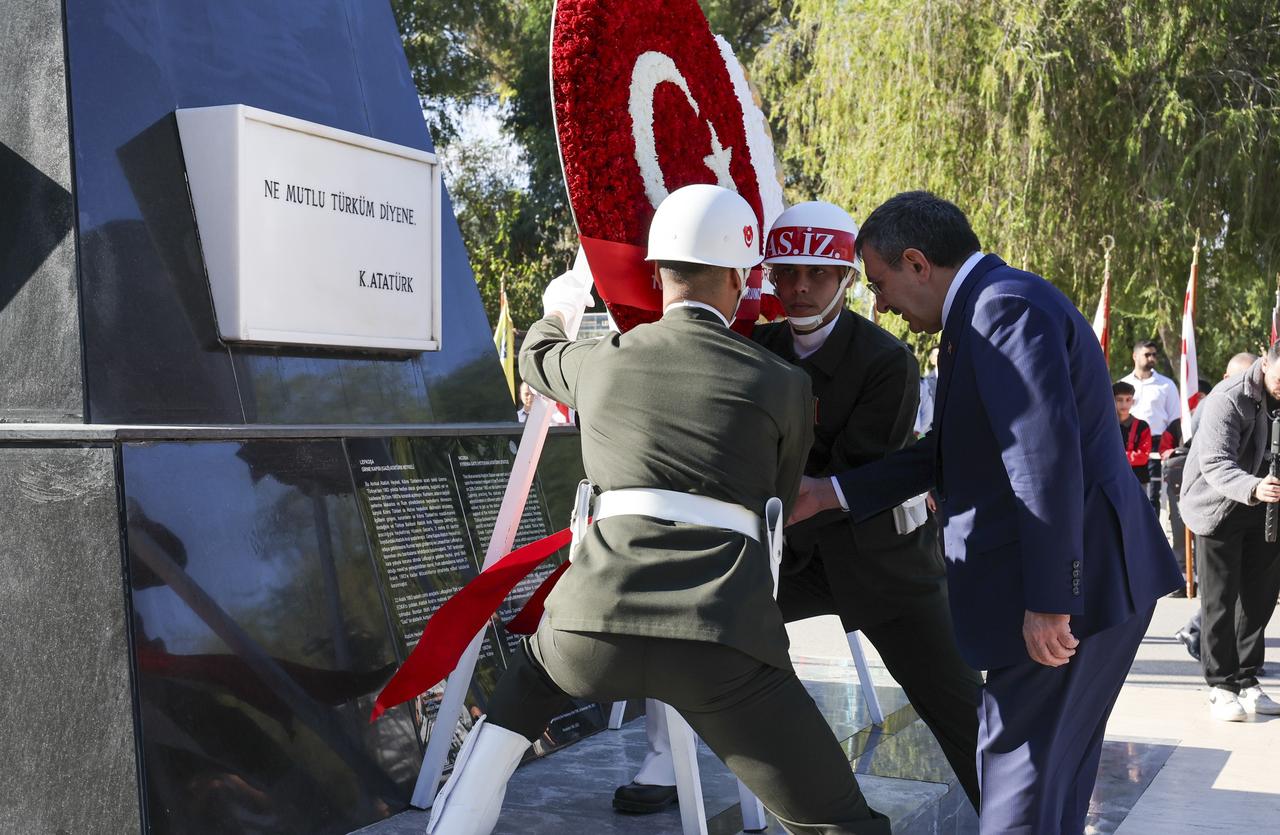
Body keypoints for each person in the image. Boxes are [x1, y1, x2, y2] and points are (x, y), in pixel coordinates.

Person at [427, 184, 890, 835]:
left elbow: (534, 358)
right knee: (842, 820)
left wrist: (561, 307)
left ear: (656, 271)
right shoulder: (785, 384)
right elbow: (775, 502)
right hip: (722, 640)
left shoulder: (603, 364)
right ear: (739, 276)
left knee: (500, 732)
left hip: (588, 629)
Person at [789, 191, 1182, 834]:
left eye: (881, 284)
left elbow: (1043, 461)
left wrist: (1052, 598)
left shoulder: (1002, 309)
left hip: (1070, 591)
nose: (881, 305)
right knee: (1047, 780)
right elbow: (948, 451)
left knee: (1017, 784)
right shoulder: (988, 306)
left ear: (918, 263)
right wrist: (829, 492)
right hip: (1087, 580)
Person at [612, 201, 982, 814]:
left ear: (847, 279)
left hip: (878, 558)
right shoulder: (751, 344)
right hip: (785, 555)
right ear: (765, 276)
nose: (801, 287)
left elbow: (854, 475)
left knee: (958, 708)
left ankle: (1020, 817)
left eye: (818, 273)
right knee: (682, 619)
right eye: (786, 273)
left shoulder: (889, 361)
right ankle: (666, 762)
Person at [1178, 347, 1280, 721]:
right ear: (1265, 365)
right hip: (1219, 506)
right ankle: (1221, 686)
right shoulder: (1228, 397)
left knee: (1259, 599)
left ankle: (1248, 680)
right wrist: (1254, 488)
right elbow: (1215, 463)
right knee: (1220, 600)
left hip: (1268, 508)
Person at [1174, 353, 1259, 657]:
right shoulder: (1216, 404)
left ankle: (1239, 659)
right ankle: (1199, 638)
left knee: (1243, 590)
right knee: (1221, 593)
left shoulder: (1259, 403)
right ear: (1227, 379)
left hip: (1251, 504)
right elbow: (1215, 456)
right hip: (1217, 503)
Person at [1120, 340, 1182, 514]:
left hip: (1155, 444)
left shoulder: (1166, 385)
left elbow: (1174, 420)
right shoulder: (1122, 384)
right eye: (1147, 354)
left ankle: (1151, 536)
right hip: (1127, 444)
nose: (1151, 358)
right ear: (1135, 356)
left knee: (1153, 494)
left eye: (1154, 354)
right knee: (1127, 489)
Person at [916, 345, 940, 436]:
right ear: (932, 359)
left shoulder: (953, 380)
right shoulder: (925, 382)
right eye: (937, 355)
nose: (940, 357)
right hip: (929, 431)